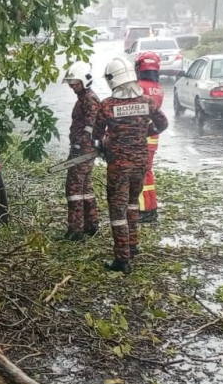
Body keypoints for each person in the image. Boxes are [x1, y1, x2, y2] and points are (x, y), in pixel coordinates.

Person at [93, 58, 169, 273]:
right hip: (140, 163)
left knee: (118, 211)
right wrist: (144, 132)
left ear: (112, 80)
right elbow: (162, 124)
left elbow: (96, 136)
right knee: (133, 203)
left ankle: (121, 259)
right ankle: (133, 245)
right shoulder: (146, 101)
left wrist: (105, 144)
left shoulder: (107, 105)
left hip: (118, 166)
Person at [62, 62, 102, 240]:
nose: (72, 87)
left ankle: (76, 230)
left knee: (74, 188)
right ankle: (91, 224)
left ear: (85, 81)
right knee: (85, 187)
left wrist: (80, 144)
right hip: (83, 149)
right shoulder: (84, 98)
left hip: (84, 150)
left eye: (75, 84)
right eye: (71, 84)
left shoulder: (89, 99)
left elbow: (92, 124)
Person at [134, 52, 165, 223]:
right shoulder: (157, 88)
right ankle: (150, 207)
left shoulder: (139, 87)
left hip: (141, 137)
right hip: (153, 137)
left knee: (141, 174)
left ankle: (145, 209)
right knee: (147, 172)